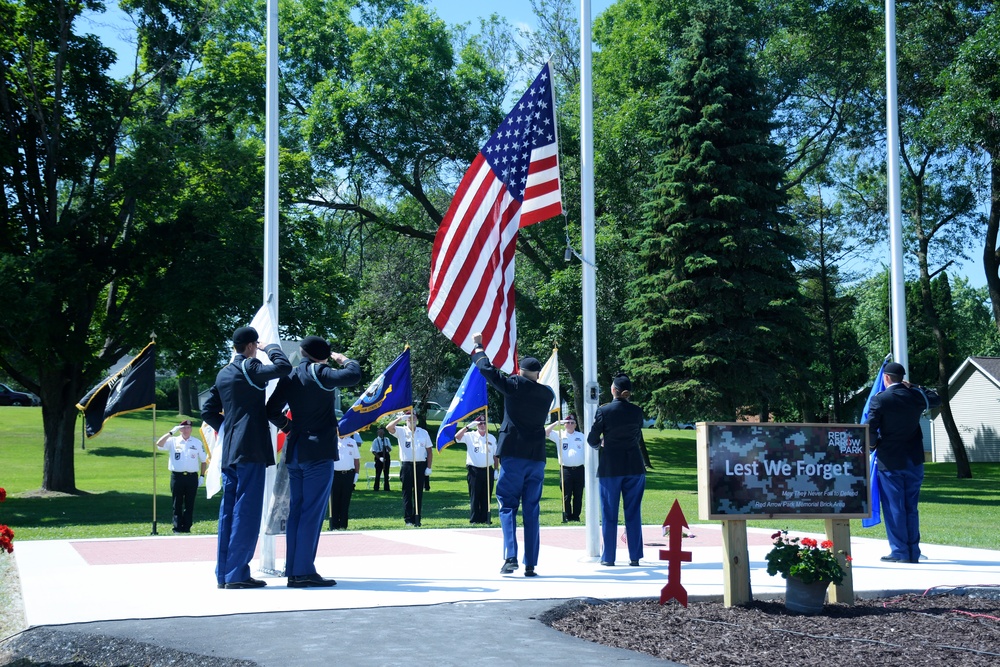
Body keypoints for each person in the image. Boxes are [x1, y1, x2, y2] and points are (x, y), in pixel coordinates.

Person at [266, 335, 361, 588]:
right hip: (318, 452)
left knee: (297, 511)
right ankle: (303, 571)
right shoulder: (322, 372)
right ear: (324, 355)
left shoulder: (291, 375)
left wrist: (290, 427)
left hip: (295, 449)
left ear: (302, 351)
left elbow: (271, 410)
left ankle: (294, 569)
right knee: (311, 513)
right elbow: (353, 375)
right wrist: (344, 359)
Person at [202, 326, 292, 589]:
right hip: (250, 448)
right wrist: (271, 348)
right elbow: (283, 367)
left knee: (228, 512)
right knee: (247, 511)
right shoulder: (250, 367)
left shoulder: (224, 373)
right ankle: (237, 574)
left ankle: (225, 573)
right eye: (257, 345)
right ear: (252, 346)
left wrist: (229, 426)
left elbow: (208, 411)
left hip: (230, 449)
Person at [471, 332, 554, 577]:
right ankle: (531, 563)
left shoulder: (515, 385)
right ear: (538, 374)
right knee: (531, 509)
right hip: (536, 456)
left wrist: (478, 347)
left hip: (513, 455)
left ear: (520, 372)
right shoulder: (548, 393)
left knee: (507, 505)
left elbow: (488, 371)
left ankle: (510, 557)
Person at [867, 361, 941, 564]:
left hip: (890, 460)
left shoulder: (880, 400)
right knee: (911, 507)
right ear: (902, 378)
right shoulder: (916, 397)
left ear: (886, 378)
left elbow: (870, 428)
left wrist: (873, 447)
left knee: (894, 507)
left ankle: (900, 551)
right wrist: (915, 386)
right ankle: (913, 551)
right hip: (914, 460)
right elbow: (936, 398)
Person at [588, 372, 646, 567]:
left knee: (609, 512)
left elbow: (592, 439)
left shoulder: (604, 411)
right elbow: (636, 435)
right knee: (633, 512)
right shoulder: (637, 411)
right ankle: (635, 556)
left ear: (613, 390)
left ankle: (609, 558)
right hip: (634, 465)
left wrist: (601, 444)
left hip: (611, 467)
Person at [154, 419, 207, 533]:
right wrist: (170, 433)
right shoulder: (173, 441)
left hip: (192, 477)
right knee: (177, 502)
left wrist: (202, 476)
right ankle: (177, 527)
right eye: (183, 428)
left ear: (191, 429)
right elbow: (159, 444)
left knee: (189, 503)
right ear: (179, 429)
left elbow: (204, 461)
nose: (186, 430)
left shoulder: (196, 442)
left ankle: (187, 527)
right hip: (177, 477)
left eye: (188, 428)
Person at [387, 412, 433, 526]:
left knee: (418, 493)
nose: (411, 420)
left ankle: (417, 518)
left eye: (414, 417)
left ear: (417, 419)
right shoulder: (401, 431)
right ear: (406, 420)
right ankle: (408, 519)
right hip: (407, 465)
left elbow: (429, 451)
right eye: (409, 418)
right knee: (407, 493)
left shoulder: (423, 432)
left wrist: (429, 467)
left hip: (420, 464)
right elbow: (389, 427)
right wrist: (399, 418)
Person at [455, 414, 498, 524]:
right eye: (480, 423)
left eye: (484, 423)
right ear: (476, 425)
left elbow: (495, 456)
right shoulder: (470, 436)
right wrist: (468, 426)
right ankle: (474, 519)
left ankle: (485, 518)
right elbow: (457, 437)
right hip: (474, 471)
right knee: (475, 496)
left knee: (486, 496)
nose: (482, 425)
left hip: (488, 470)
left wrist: (496, 470)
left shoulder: (491, 438)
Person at [546, 413, 585, 522]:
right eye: (567, 422)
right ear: (564, 425)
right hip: (566, 470)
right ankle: (567, 516)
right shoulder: (559, 435)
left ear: (575, 425)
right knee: (566, 495)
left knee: (578, 495)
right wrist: (555, 423)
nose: (570, 424)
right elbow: (545, 432)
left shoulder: (581, 436)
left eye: (572, 423)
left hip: (579, 469)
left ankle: (576, 517)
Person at [329, 433, 361, 529]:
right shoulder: (332, 441)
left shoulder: (352, 442)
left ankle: (343, 524)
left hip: (348, 474)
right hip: (335, 474)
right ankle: (334, 525)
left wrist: (356, 474)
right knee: (335, 500)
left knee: (345, 500)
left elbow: (356, 460)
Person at [370, 427, 393, 491]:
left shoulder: (386, 439)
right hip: (379, 456)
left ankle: (386, 487)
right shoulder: (375, 440)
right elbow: (373, 451)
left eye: (382, 432)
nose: (381, 434)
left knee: (386, 473)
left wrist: (386, 446)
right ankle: (376, 487)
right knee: (378, 473)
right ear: (377, 432)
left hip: (386, 455)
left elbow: (390, 449)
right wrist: (379, 458)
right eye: (380, 432)